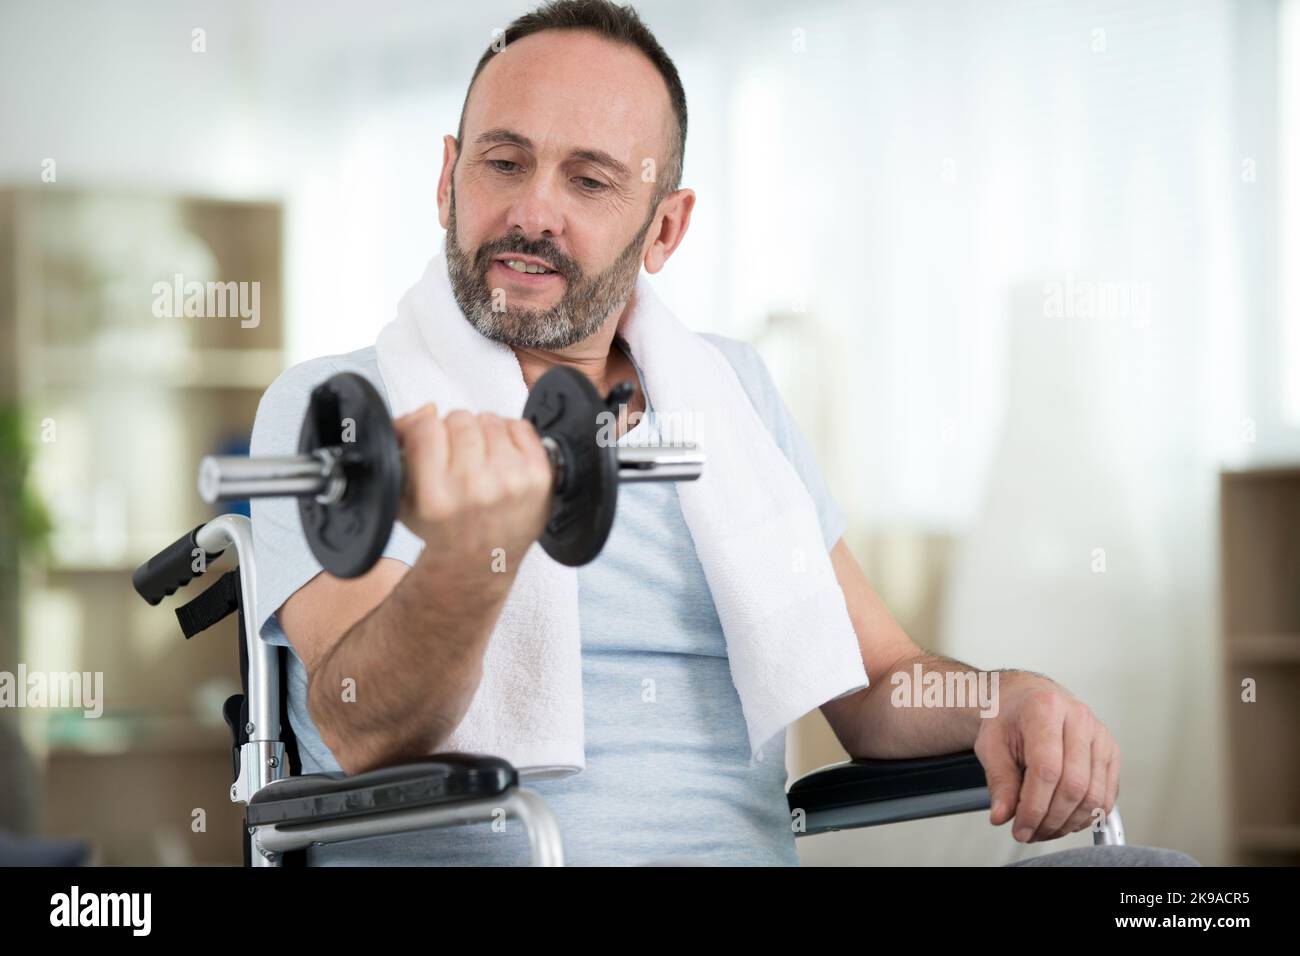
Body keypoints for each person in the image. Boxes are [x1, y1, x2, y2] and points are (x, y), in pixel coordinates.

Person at [250, 0, 1195, 867]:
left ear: (665, 230)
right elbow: (360, 727)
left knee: (1164, 893)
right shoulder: (341, 409)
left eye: (589, 180)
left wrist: (1005, 697)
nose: (534, 210)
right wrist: (473, 555)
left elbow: (876, 683)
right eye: (504, 162)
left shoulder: (731, 395)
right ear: (448, 177)